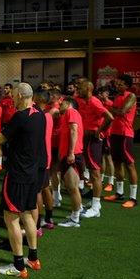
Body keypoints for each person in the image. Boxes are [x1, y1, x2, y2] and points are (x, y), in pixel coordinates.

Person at [0, 83, 45, 278]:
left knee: (11, 218)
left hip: (17, 174)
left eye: (14, 96)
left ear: (22, 96)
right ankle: (33, 258)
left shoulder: (20, 117)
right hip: (32, 174)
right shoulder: (39, 115)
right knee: (27, 216)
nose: (12, 99)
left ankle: (18, 266)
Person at [76, 82, 114, 218]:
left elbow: (110, 117)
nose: (78, 90)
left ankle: (96, 207)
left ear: (88, 89)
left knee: (95, 173)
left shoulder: (94, 102)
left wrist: (98, 131)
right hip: (85, 139)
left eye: (80, 88)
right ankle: (94, 202)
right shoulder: (81, 100)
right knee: (91, 173)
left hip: (93, 140)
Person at [104, 74, 139, 208]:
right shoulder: (118, 97)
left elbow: (122, 111)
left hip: (126, 134)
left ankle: (133, 198)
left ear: (127, 85)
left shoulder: (131, 96)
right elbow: (113, 114)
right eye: (117, 84)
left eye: (120, 84)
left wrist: (107, 105)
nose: (117, 86)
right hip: (115, 133)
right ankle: (119, 193)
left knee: (129, 164)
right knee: (117, 163)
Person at [56, 97, 85, 228]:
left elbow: (74, 130)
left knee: (72, 187)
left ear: (68, 104)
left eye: (62, 103)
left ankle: (75, 219)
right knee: (72, 187)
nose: (59, 105)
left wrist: (71, 152)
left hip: (72, 154)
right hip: (69, 154)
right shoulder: (66, 116)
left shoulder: (71, 112)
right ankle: (76, 214)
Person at [32, 90, 54, 236]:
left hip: (39, 158)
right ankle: (49, 218)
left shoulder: (39, 116)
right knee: (45, 188)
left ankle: (38, 225)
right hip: (47, 157)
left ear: (38, 98)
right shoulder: (48, 116)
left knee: (37, 192)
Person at [97, 86, 115, 192]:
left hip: (107, 134)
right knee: (102, 157)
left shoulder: (110, 104)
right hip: (102, 133)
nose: (99, 95)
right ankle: (102, 179)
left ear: (107, 94)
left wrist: (105, 131)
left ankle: (111, 182)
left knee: (108, 158)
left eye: (102, 93)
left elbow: (111, 120)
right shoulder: (100, 104)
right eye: (99, 93)